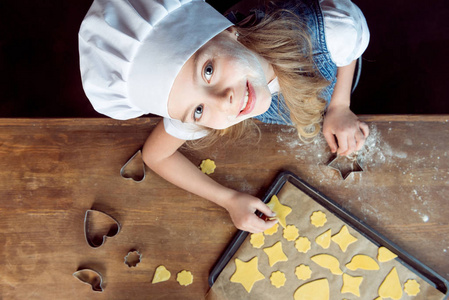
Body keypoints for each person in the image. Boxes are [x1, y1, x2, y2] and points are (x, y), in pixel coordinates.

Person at [79, 0, 370, 233]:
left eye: (207, 71)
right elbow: (155, 156)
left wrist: (339, 106)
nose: (222, 103)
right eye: (198, 111)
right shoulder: (199, 103)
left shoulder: (329, 33)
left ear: (227, 31)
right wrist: (228, 199)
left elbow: (350, 49)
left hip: (332, 81)